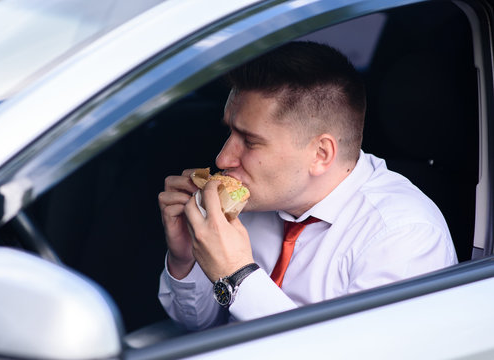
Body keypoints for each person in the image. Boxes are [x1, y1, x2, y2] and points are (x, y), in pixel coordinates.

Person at [157, 41, 458, 330]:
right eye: (230, 132)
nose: (223, 158)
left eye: (249, 141)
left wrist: (238, 275)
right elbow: (199, 324)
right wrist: (187, 258)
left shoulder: (402, 237)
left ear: (320, 154)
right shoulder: (255, 199)